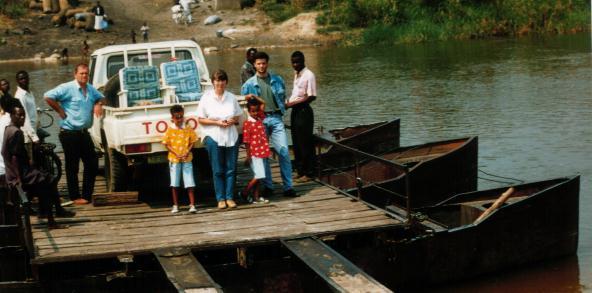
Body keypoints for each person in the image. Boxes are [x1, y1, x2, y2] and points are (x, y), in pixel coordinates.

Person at [2, 104, 75, 228]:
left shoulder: (8, 129)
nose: (22, 118)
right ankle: (51, 219)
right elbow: (14, 157)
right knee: (47, 182)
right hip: (19, 173)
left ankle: (49, 212)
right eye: (19, 115)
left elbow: (6, 152)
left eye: (24, 115)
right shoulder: (17, 132)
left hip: (17, 171)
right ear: (12, 116)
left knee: (49, 180)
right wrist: (18, 178)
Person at [44, 63, 106, 205]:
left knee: (92, 163)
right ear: (75, 74)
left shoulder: (90, 89)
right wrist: (59, 110)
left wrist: (98, 103)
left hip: (84, 132)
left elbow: (103, 98)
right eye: (81, 73)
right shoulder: (67, 88)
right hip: (69, 132)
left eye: (86, 74)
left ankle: (86, 195)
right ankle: (74, 196)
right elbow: (47, 96)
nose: (84, 76)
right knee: (73, 166)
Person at [241, 51, 297, 198]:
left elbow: (282, 97)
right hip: (260, 122)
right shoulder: (248, 85)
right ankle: (268, 186)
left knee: (284, 151)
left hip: (276, 118)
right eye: (258, 63)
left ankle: (288, 187)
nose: (261, 66)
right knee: (263, 155)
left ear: (267, 63)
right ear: (254, 65)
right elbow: (244, 106)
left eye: (264, 63)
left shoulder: (277, 80)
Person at [197, 69, 242, 209]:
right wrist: (217, 123)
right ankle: (220, 198)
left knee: (231, 169)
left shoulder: (231, 97)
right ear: (213, 82)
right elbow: (200, 119)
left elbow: (238, 116)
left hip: (231, 136)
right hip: (214, 136)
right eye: (217, 80)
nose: (220, 83)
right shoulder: (206, 97)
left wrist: (231, 120)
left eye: (222, 80)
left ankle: (229, 197)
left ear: (226, 82)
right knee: (217, 169)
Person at [286, 51, 317, 183]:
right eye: (293, 62)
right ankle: (300, 171)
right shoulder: (297, 74)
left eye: (298, 62)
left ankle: (309, 173)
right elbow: (297, 93)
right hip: (295, 111)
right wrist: (288, 103)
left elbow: (311, 96)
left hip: (304, 111)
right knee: (296, 142)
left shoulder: (309, 75)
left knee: (305, 143)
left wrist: (292, 104)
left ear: (303, 61)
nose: (295, 64)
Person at [162, 104, 198, 214]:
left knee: (189, 181)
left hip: (187, 158)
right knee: (174, 183)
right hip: (174, 159)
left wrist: (187, 151)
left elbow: (192, 141)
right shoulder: (170, 130)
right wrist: (176, 153)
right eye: (177, 117)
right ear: (172, 118)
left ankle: (192, 204)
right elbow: (166, 144)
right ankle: (175, 205)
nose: (179, 119)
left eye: (181, 117)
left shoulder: (187, 128)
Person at [240, 98, 270, 204]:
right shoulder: (248, 124)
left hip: (262, 152)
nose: (255, 113)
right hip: (254, 153)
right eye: (252, 111)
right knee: (260, 175)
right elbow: (247, 142)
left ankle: (256, 197)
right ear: (248, 111)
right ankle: (244, 192)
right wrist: (248, 156)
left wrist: (253, 96)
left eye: (257, 110)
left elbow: (263, 102)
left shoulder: (259, 119)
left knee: (257, 175)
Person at [14, 71, 40, 161]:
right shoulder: (20, 96)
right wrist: (34, 137)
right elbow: (24, 118)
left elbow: (30, 110)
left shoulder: (29, 92)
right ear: (17, 81)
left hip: (34, 129)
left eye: (25, 78)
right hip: (27, 134)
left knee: (37, 157)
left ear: (29, 78)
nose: (24, 80)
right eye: (21, 79)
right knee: (30, 160)